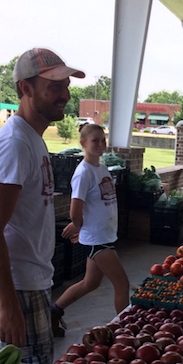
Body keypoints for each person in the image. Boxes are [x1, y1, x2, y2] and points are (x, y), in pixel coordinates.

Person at [0, 47, 85, 364]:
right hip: (15, 286)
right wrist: (8, 307)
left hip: (31, 282)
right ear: (26, 88)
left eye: (66, 85)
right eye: (54, 86)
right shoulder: (14, 143)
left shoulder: (33, 139)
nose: (65, 94)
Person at [51, 123, 130, 334]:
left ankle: (54, 310)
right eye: (95, 140)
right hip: (97, 239)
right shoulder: (83, 172)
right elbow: (75, 209)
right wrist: (77, 226)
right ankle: (125, 331)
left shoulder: (102, 168)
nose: (100, 144)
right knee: (122, 284)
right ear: (83, 143)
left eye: (102, 140)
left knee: (90, 283)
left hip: (104, 235)